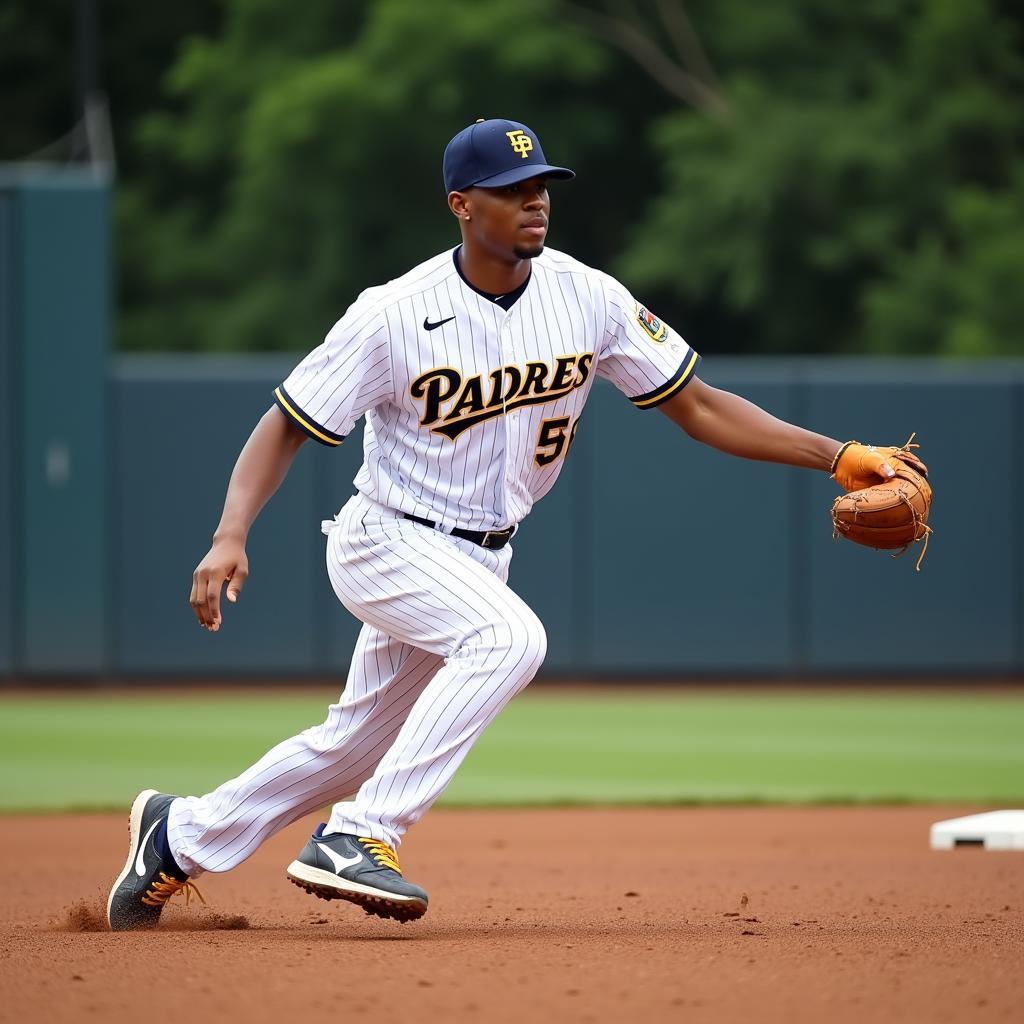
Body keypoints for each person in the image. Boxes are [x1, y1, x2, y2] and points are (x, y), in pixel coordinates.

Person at [107, 117, 904, 931]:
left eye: (542, 188)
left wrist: (835, 455)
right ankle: (359, 833)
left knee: (353, 749)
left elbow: (697, 405)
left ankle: (180, 836)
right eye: (512, 191)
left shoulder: (587, 296)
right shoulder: (392, 314)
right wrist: (229, 532)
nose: (535, 203)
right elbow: (288, 423)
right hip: (387, 538)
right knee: (510, 641)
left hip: (481, 557)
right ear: (461, 205)